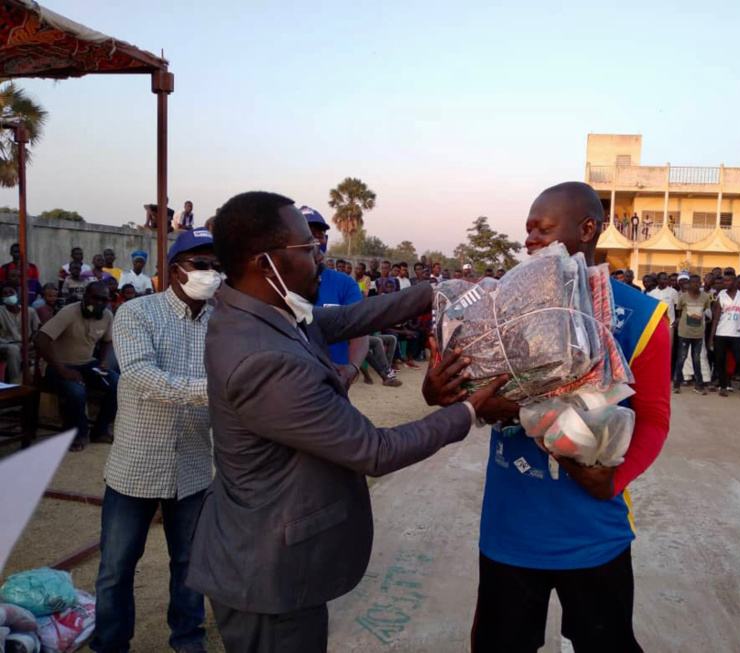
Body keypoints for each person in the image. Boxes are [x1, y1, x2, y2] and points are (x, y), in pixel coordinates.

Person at [186, 191, 510, 651]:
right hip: (267, 576)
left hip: (273, 557)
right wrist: (468, 410)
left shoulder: (259, 312)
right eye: (308, 248)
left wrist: (438, 292)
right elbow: (375, 451)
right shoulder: (263, 359)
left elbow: (353, 317)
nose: (320, 258)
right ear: (265, 263)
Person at [472, 182, 670, 653]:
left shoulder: (642, 317)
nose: (529, 240)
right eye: (527, 231)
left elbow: (655, 418)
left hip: (594, 534)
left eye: (542, 229)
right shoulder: (501, 307)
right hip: (510, 530)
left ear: (586, 229)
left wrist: (615, 478)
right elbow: (466, 392)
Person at [89, 229, 220, 653]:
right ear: (175, 269)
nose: (211, 274)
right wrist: (216, 392)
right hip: (137, 466)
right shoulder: (136, 312)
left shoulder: (223, 322)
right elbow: (141, 376)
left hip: (194, 465)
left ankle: (188, 639)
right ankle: (111, 644)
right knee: (116, 568)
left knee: (190, 564)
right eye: (202, 265)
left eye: (217, 267)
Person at [35, 281, 118, 451]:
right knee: (76, 391)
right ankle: (76, 435)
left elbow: (107, 341)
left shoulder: (107, 316)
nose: (99, 303)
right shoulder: (69, 312)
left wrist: (103, 361)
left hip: (87, 364)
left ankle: (100, 430)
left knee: (119, 384)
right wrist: (63, 370)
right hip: (57, 366)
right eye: (95, 298)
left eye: (104, 299)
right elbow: (40, 340)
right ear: (86, 296)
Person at [305, 207, 368, 386]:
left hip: (334, 382)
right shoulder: (276, 284)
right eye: (309, 234)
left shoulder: (344, 283)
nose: (316, 240)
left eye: (320, 235)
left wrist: (352, 369)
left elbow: (359, 329)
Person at [709, 271, 740, 398]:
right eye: (724, 281)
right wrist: (711, 337)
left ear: (735, 281)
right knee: (720, 361)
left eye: (728, 280)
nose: (726, 283)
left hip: (737, 334)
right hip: (721, 333)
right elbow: (716, 318)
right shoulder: (721, 295)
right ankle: (723, 386)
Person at [674, 274, 711, 395]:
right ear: (689, 284)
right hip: (684, 332)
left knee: (697, 359)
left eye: (697, 282)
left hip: (698, 333)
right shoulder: (683, 297)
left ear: (700, 283)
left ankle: (698, 385)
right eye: (693, 282)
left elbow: (705, 312)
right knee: (681, 358)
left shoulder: (705, 297)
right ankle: (676, 384)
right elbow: (679, 312)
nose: (695, 284)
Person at [0, 284, 39, 383]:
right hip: (6, 344)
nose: (9, 295)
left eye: (11, 292)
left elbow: (36, 330)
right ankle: (15, 382)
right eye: (5, 294)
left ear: (16, 294)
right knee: (14, 349)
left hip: (27, 344)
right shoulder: (0, 312)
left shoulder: (30, 311)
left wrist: (30, 342)